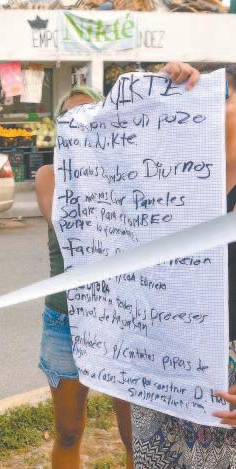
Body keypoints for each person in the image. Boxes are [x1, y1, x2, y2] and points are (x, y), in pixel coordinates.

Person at [130, 64, 236, 468]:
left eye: (221, 96)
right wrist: (164, 82)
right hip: (162, 369)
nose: (205, 108)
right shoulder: (169, 183)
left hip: (224, 385)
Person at [35, 85, 135, 469]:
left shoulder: (128, 173)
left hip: (121, 319)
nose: (81, 124)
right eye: (71, 119)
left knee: (132, 434)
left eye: (90, 115)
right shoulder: (49, 175)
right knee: (68, 431)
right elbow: (65, 220)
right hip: (66, 321)